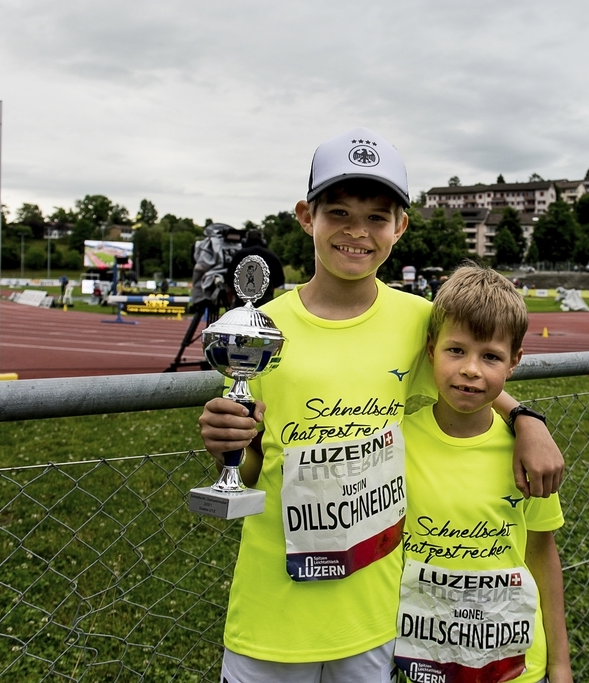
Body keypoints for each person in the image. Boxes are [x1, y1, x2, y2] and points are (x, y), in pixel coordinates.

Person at [197, 127, 564, 683]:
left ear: (400, 227)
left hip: (373, 617)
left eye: (376, 217)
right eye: (338, 212)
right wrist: (229, 445)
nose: (357, 232)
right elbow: (250, 466)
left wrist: (526, 419)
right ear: (305, 217)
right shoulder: (260, 328)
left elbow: (468, 375)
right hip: (272, 608)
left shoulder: (417, 320)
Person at [396, 264, 571, 683]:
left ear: (514, 362)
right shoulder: (396, 443)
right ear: (430, 349)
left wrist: (561, 665)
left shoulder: (529, 455)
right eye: (456, 350)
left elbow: (541, 555)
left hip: (514, 667)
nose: (471, 369)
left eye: (490, 356)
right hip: (423, 662)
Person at [224, 228, 285, 306]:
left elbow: (229, 279)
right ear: (263, 241)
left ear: (245, 241)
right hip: (265, 304)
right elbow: (280, 280)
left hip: (242, 304)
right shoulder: (271, 256)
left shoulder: (239, 255)